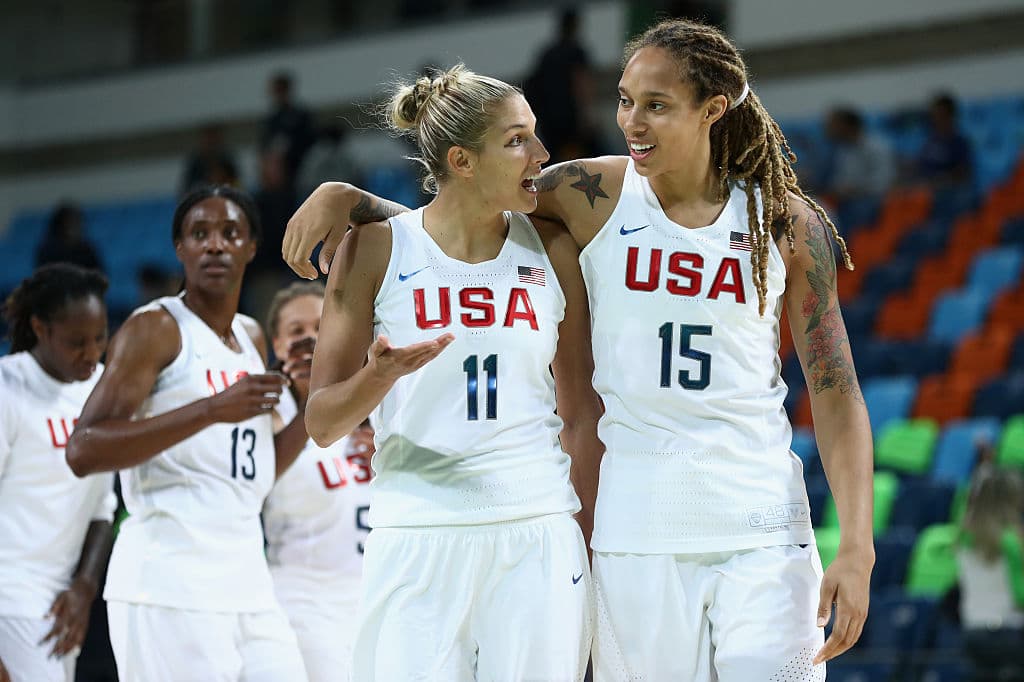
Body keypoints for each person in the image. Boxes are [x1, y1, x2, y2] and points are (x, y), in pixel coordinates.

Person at [282, 19, 875, 681]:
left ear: (712, 109)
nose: (632, 121)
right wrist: (355, 199)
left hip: (763, 524)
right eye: (624, 100)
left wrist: (858, 544)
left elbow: (836, 388)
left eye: (656, 104)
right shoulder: (590, 195)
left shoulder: (787, 224)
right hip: (636, 531)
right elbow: (464, 214)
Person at [304, 65, 603, 681]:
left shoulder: (555, 250)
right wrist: (378, 378)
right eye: (518, 140)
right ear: (462, 161)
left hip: (536, 530)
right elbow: (322, 423)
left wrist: (588, 539)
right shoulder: (375, 250)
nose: (542, 157)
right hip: (416, 532)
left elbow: (580, 413)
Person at [65, 186, 310, 682]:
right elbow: (82, 449)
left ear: (250, 247)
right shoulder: (155, 329)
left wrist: (314, 403)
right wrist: (210, 410)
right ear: (180, 249)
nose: (214, 245)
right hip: (169, 580)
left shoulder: (250, 336)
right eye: (199, 234)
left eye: (229, 233)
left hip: (247, 583)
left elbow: (254, 471)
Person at [0, 264, 116, 682]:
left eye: (100, 338)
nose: (91, 353)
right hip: (10, 591)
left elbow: (104, 506)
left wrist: (85, 589)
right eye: (76, 342)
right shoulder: (8, 387)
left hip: (63, 600)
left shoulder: (103, 387)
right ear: (39, 328)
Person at [261, 281, 375, 682]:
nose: (309, 337)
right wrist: (311, 398)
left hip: (377, 592)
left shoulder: (373, 400)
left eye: (319, 326)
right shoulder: (268, 410)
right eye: (296, 330)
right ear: (277, 345)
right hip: (305, 597)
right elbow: (254, 481)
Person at [958, 459, 1024, 682]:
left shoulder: (964, 538)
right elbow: (1020, 595)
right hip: (1009, 633)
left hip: (973, 631)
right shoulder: (1010, 541)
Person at [34, 202, 103, 273]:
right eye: (74, 222)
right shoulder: (48, 251)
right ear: (62, 225)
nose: (79, 227)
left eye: (79, 222)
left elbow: (100, 274)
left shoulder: (87, 250)